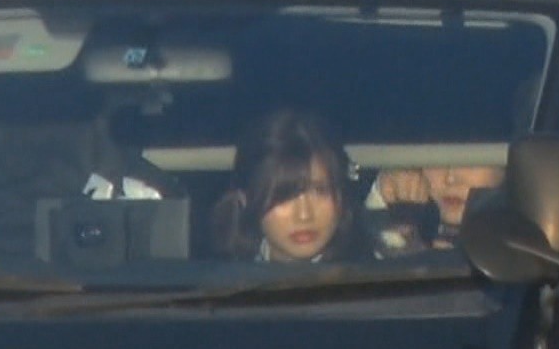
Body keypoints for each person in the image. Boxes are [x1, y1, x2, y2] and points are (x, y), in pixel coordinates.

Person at [211, 110, 362, 262]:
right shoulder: (221, 273)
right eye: (283, 196)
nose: (304, 215)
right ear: (245, 200)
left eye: (320, 191)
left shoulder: (368, 272)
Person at [369, 165, 505, 251]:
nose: (450, 179)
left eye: (469, 162)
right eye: (438, 161)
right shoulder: (406, 223)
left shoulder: (516, 252)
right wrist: (383, 195)